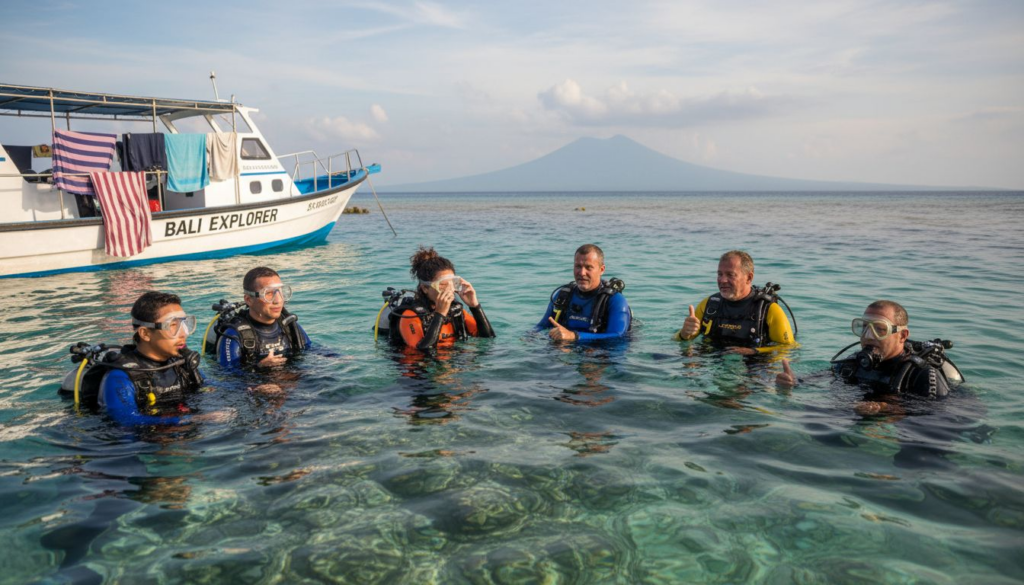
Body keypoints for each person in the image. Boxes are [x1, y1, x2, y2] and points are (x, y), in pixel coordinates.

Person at [776, 300, 960, 406]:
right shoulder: (854, 363)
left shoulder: (922, 374)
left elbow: (935, 420)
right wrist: (794, 382)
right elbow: (819, 378)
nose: (868, 336)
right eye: (864, 327)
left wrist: (888, 411)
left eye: (880, 329)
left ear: (902, 335)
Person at [92, 292, 227, 426]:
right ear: (145, 333)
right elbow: (125, 421)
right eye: (173, 325)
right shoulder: (120, 377)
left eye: (185, 324)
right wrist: (191, 419)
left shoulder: (181, 364)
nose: (183, 333)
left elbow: (209, 385)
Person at [673, 250, 795, 354]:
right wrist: (684, 334)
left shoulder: (769, 310)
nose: (722, 280)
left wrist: (754, 351)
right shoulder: (709, 305)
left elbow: (789, 348)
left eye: (730, 275)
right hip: (714, 361)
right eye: (720, 274)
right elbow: (679, 340)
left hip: (754, 366)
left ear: (749, 278)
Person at [385, 247, 495, 350]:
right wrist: (440, 314)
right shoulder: (410, 316)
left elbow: (488, 339)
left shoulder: (455, 311)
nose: (449, 289)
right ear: (425, 288)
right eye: (442, 285)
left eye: (454, 283)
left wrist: (474, 306)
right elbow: (423, 352)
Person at [215, 267, 311, 368]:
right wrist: (260, 367)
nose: (278, 300)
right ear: (248, 299)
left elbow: (311, 352)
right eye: (268, 293)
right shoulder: (234, 335)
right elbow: (227, 374)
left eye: (280, 291)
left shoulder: (289, 326)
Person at [536, 244, 632, 343]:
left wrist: (574, 336)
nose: (582, 273)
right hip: (567, 347)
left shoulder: (615, 300)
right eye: (578, 266)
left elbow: (618, 336)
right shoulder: (562, 296)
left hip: (601, 349)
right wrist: (529, 337)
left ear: (601, 269)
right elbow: (541, 326)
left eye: (588, 267)